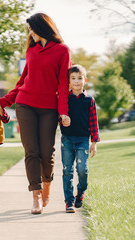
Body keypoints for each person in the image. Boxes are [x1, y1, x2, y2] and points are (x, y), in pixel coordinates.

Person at [0, 13, 71, 214]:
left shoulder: (62, 51)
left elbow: (63, 84)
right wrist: (5, 101)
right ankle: (36, 195)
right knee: (31, 151)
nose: (29, 33)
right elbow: (22, 82)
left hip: (49, 108)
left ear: (42, 27)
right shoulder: (31, 51)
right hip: (25, 104)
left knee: (47, 153)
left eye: (31, 28)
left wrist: (63, 111)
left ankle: (47, 182)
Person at [60, 65, 100, 213]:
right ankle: (68, 201)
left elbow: (93, 122)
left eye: (79, 78)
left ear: (85, 80)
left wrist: (94, 142)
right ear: (69, 81)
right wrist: (62, 120)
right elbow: (60, 116)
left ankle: (80, 192)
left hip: (83, 140)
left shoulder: (89, 100)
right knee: (67, 171)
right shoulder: (64, 98)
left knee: (82, 170)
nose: (76, 81)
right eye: (73, 78)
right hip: (67, 139)